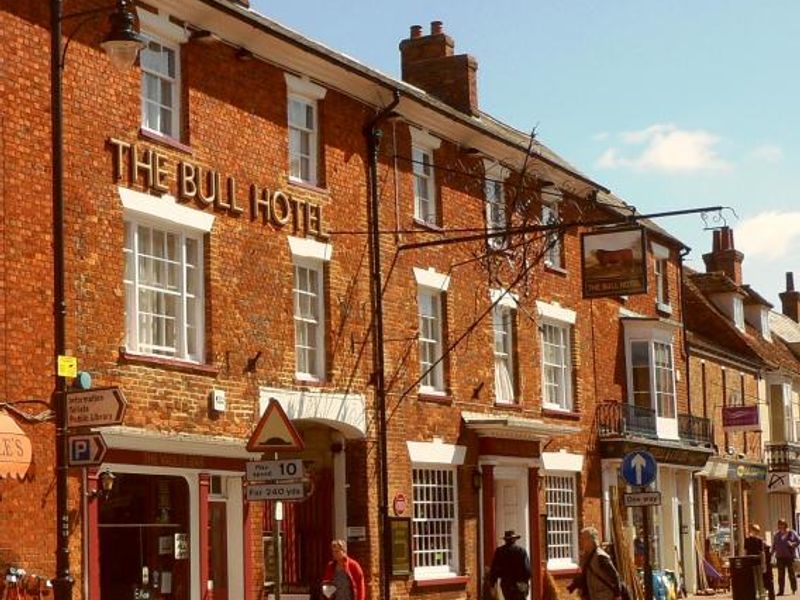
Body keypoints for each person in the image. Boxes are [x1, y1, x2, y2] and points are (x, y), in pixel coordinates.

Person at [568, 526, 622, 600]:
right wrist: (574, 584)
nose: (581, 542)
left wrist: (617, 595)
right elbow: (585, 575)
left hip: (603, 596)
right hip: (590, 596)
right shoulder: (585, 557)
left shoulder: (601, 556)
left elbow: (614, 576)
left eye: (583, 539)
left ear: (591, 540)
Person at [488, 530, 532, 600]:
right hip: (519, 583)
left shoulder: (500, 551)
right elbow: (527, 570)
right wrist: (526, 582)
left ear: (505, 540)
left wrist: (492, 583)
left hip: (506, 584)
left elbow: (494, 569)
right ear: (514, 540)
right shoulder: (521, 551)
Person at [745, 524, 775, 600]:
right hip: (750, 562)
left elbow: (762, 553)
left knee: (759, 579)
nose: (755, 532)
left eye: (756, 531)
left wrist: (763, 564)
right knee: (752, 579)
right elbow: (746, 552)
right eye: (754, 530)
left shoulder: (759, 540)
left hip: (758, 562)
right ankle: (755, 595)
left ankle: (761, 595)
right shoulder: (747, 540)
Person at [774, 518, 800, 596]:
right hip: (780, 557)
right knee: (780, 575)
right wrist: (772, 553)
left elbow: (798, 540)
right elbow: (774, 545)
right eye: (779, 524)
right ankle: (781, 591)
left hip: (789, 557)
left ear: (785, 525)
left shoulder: (791, 533)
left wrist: (793, 544)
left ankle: (794, 589)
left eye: (782, 524)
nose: (781, 526)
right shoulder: (777, 534)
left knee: (791, 574)